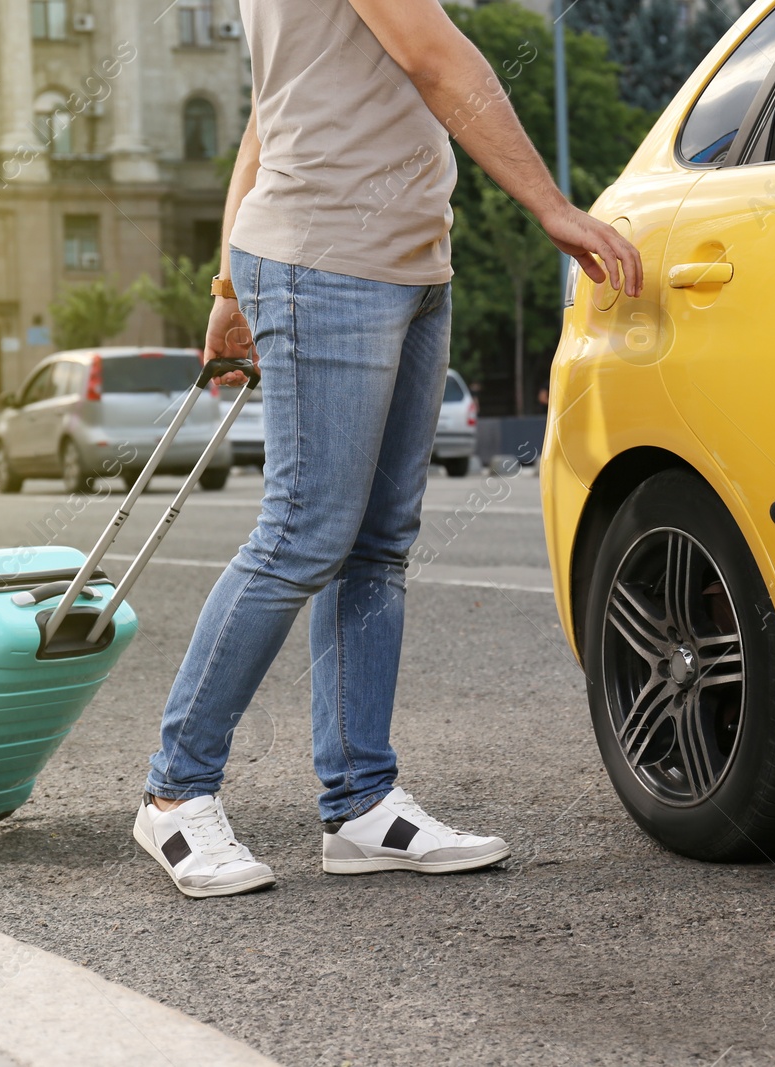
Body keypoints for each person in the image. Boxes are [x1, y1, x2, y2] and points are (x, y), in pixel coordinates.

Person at [133, 0, 643, 898]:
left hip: (407, 267)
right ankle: (176, 792)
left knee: (374, 546)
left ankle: (360, 803)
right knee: (301, 535)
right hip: (326, 266)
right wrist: (551, 207)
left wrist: (226, 281)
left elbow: (270, 111)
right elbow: (439, 60)